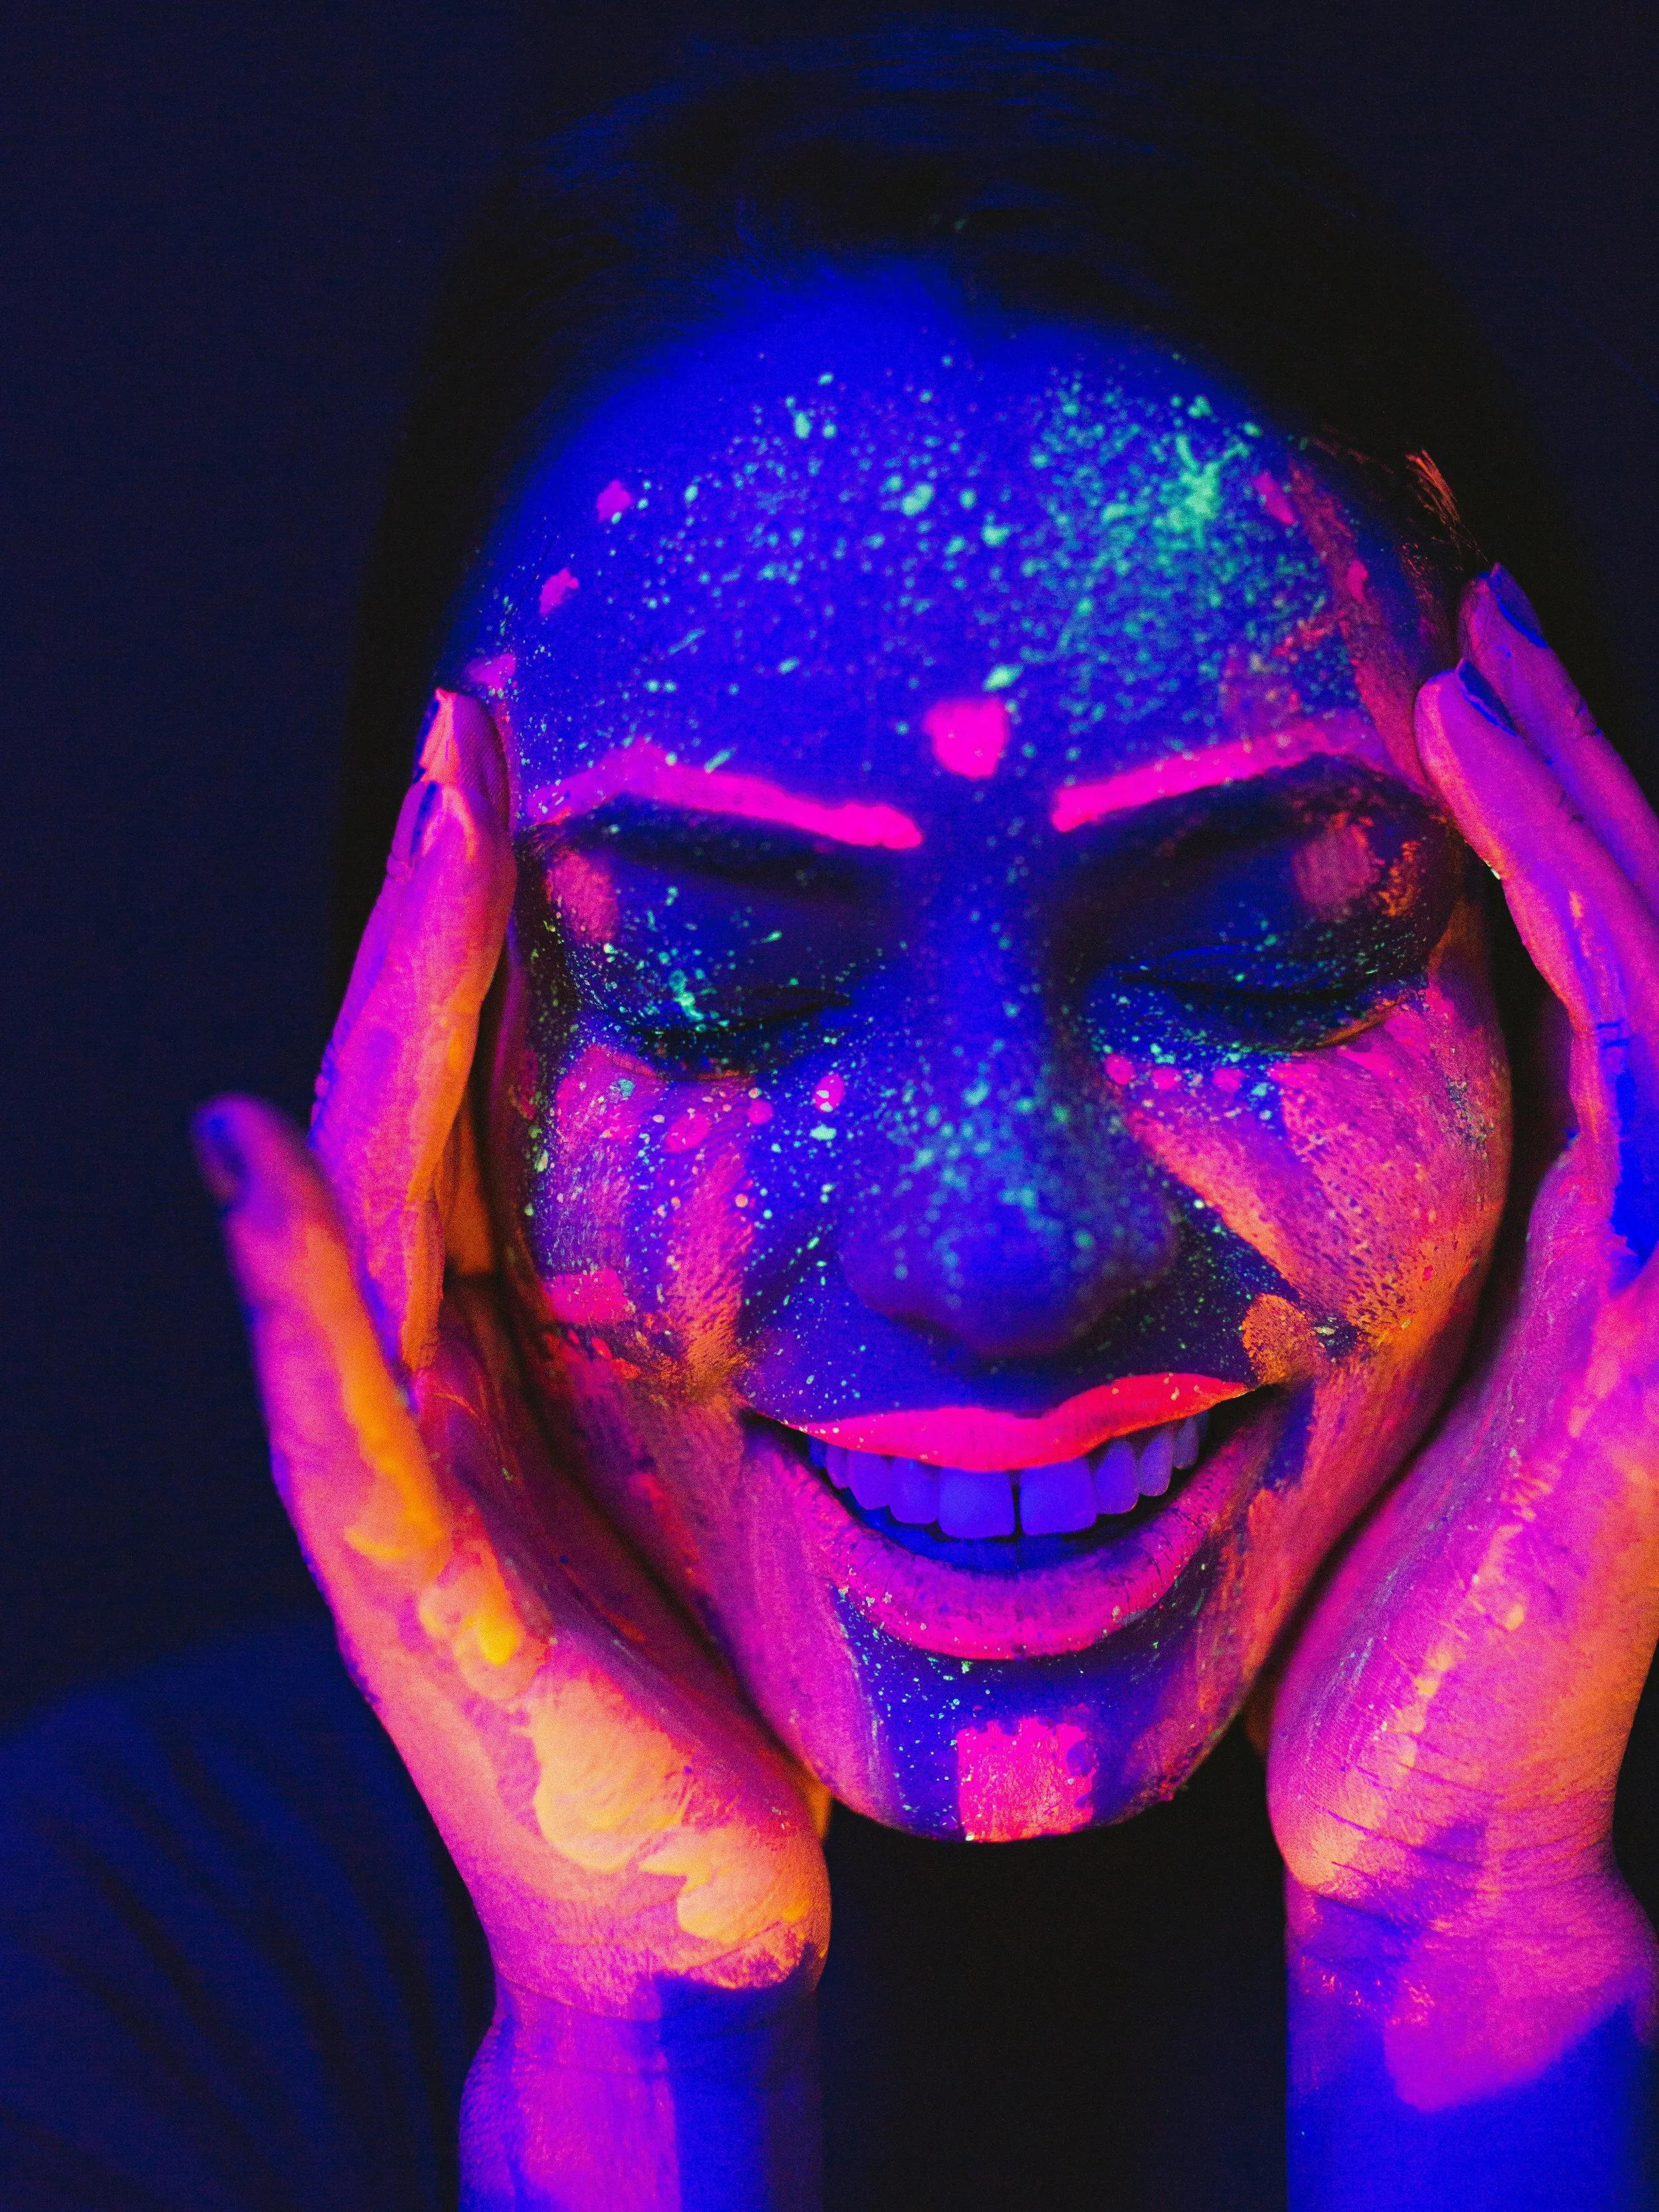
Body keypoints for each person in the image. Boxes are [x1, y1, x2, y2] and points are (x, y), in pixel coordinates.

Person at [5, 29, 1659, 2211]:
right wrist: (639, 2046)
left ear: (1560, 1000)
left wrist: (1458, 1946)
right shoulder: (120, 1974)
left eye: (1267, 944)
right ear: (432, 1041)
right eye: (719, 978)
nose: (998, 1246)